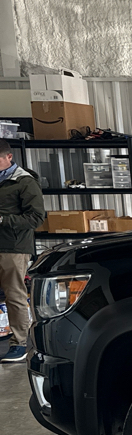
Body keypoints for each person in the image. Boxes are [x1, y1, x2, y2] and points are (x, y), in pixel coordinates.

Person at [0, 139, 45, 363]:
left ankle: (19, 343)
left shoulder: (24, 182)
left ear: (9, 157)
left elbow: (36, 217)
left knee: (14, 294)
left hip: (13, 246)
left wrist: (2, 220)